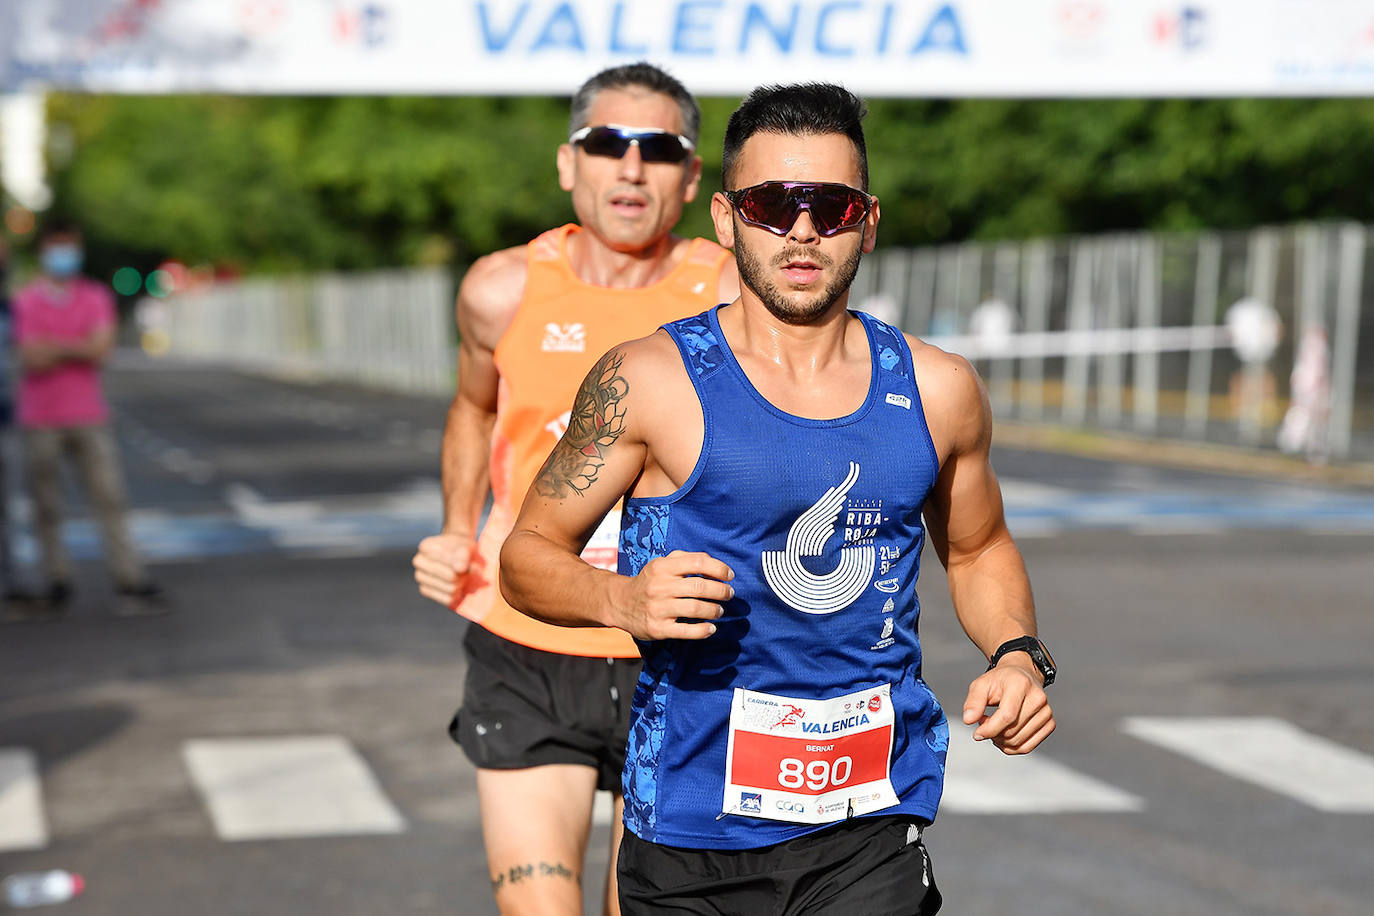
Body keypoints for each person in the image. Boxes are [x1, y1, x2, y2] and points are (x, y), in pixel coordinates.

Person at [499, 83, 1057, 915]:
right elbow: (525, 558)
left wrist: (1018, 653)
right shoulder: (647, 380)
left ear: (868, 221)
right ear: (726, 219)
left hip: (869, 823)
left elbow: (977, 549)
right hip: (689, 832)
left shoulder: (938, 389)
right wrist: (621, 597)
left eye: (830, 207)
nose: (802, 230)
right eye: (773, 204)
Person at [410, 63, 739, 914]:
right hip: (529, 636)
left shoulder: (733, 294)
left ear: (691, 177)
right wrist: (456, 527)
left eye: (659, 148)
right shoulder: (501, 289)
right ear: (569, 163)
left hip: (681, 647)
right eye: (607, 143)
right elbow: (472, 409)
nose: (631, 167)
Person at [11, 219, 165, 617]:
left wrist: (56, 347)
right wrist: (77, 344)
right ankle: (57, 579)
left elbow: (101, 349)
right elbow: (31, 355)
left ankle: (128, 577)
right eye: (58, 247)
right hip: (41, 416)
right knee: (46, 506)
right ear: (44, 250)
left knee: (109, 498)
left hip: (88, 413)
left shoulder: (94, 295)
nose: (65, 256)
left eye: (71, 247)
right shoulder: (27, 301)